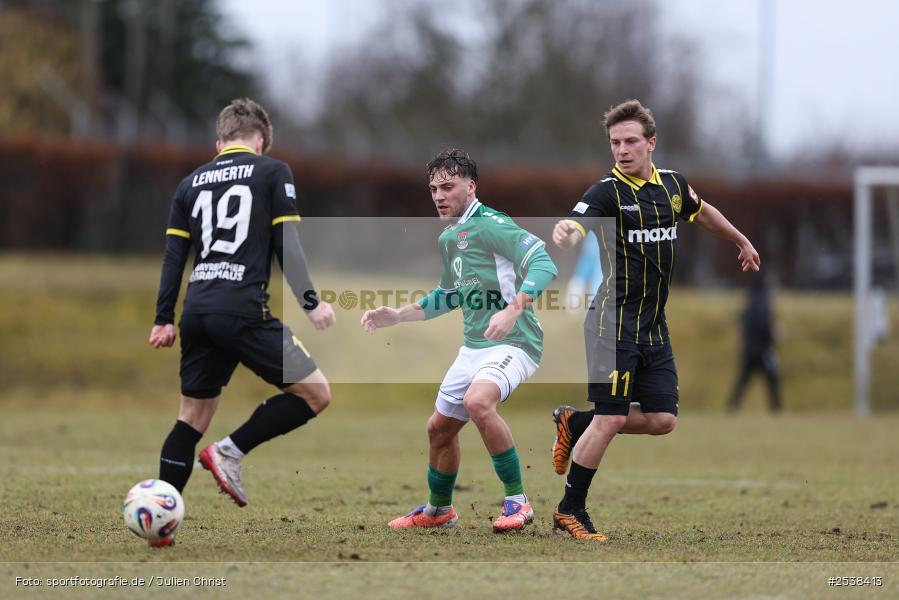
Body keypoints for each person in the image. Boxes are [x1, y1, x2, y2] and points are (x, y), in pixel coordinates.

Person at [550, 100, 760, 540]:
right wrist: (566, 232)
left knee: (663, 418)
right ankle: (571, 510)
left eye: (630, 141)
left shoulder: (672, 186)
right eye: (614, 142)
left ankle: (575, 423)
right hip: (612, 323)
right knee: (610, 418)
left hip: (652, 326)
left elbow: (703, 213)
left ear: (651, 143)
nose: (622, 150)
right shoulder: (606, 191)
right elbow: (576, 223)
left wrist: (740, 239)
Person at [149, 98, 335, 546]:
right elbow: (285, 243)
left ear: (219, 143)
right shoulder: (273, 171)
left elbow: (175, 257)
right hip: (243, 309)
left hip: (197, 312)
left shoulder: (189, 183)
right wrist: (310, 301)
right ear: (261, 141)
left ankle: (158, 526)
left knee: (190, 419)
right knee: (315, 394)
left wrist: (163, 319)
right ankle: (229, 451)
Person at [361, 148, 557, 533]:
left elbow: (543, 263)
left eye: (447, 186)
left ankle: (518, 502)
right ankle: (439, 511)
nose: (438, 196)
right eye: (433, 188)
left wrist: (514, 308)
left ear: (471, 186)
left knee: (478, 402)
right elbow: (448, 295)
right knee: (439, 429)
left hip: (515, 341)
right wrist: (399, 315)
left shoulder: (492, 224)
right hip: (474, 347)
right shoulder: (451, 236)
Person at [726, 271, 782, 412]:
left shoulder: (750, 300)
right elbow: (763, 326)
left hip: (749, 349)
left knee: (744, 381)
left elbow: (743, 321)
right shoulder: (763, 302)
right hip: (762, 350)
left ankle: (731, 407)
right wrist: (773, 334)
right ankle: (776, 409)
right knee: (772, 382)